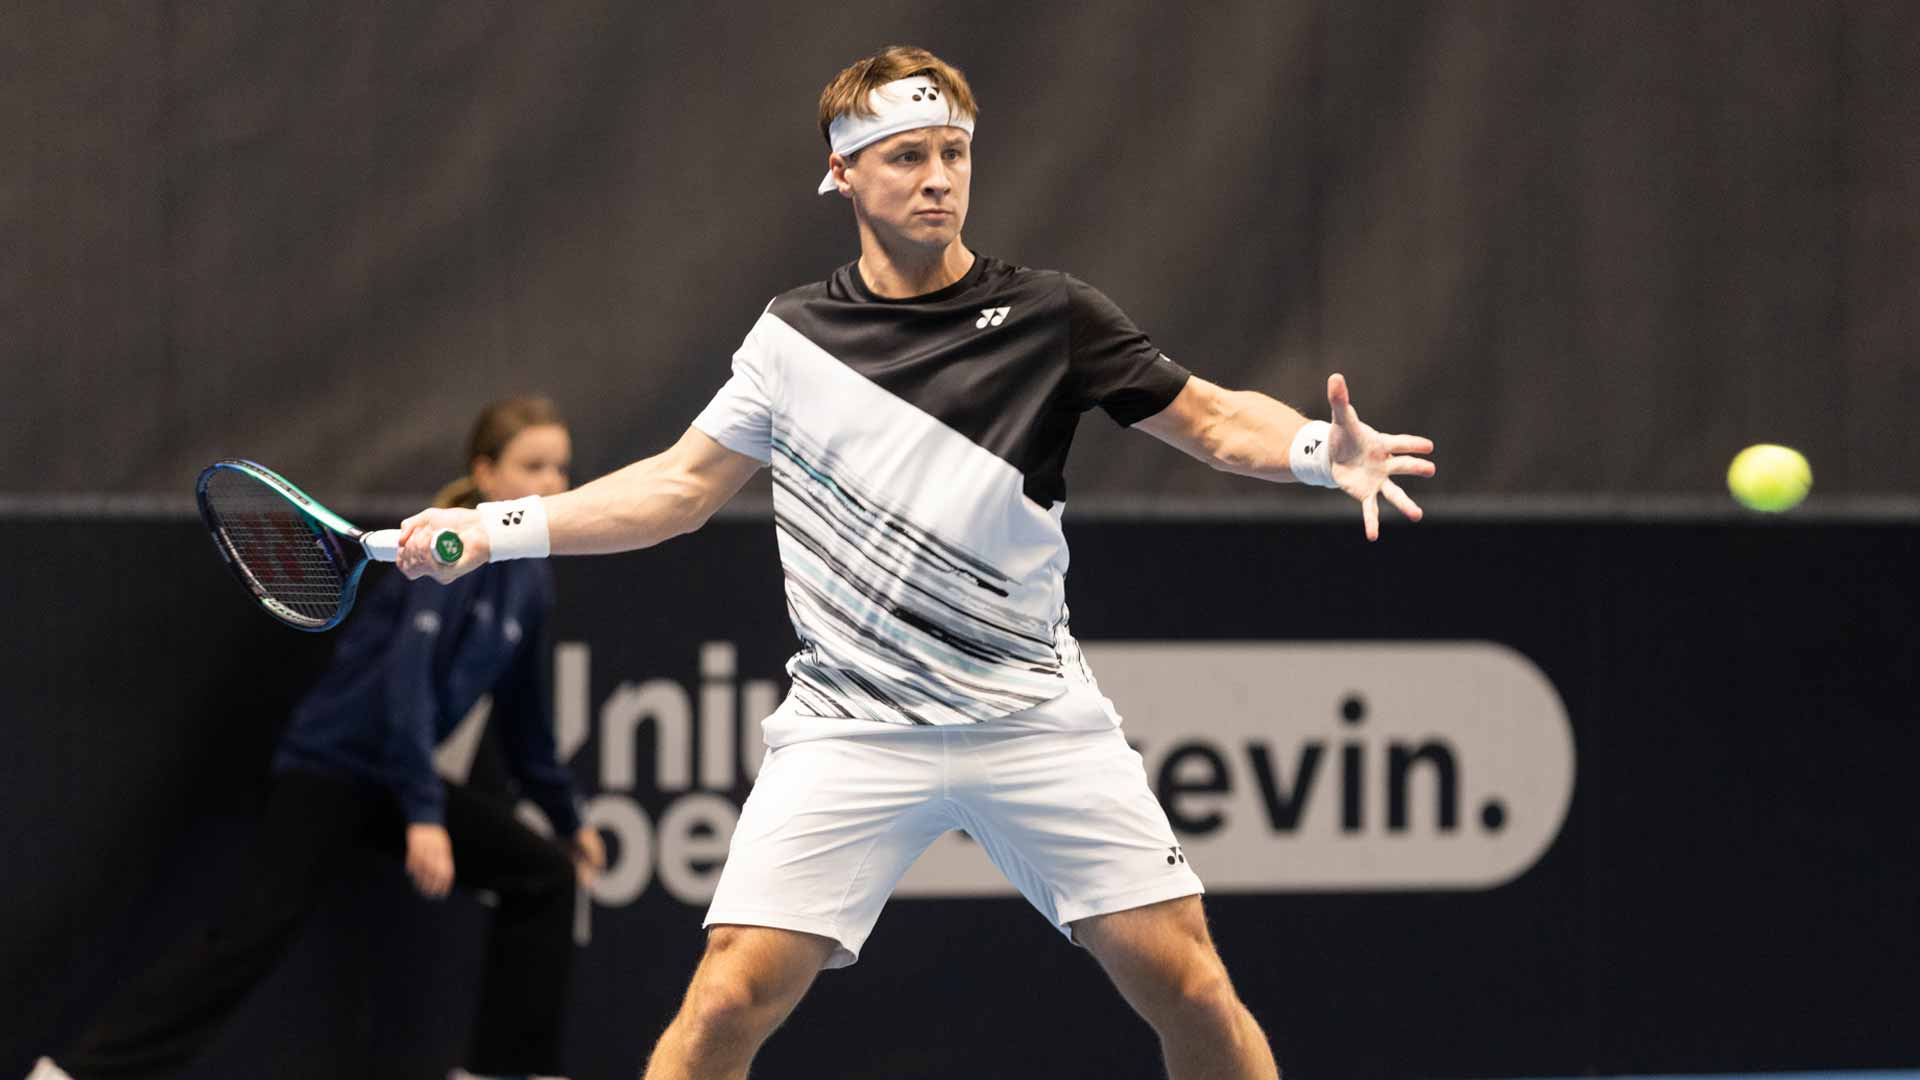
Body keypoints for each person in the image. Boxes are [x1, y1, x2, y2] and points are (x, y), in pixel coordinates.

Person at [395, 47, 1435, 1080]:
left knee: (1194, 987)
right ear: (842, 174)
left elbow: (1210, 421)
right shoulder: (789, 339)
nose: (939, 177)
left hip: (1031, 717)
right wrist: (498, 528)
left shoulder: (1051, 317)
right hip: (854, 728)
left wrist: (1311, 450)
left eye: (953, 152)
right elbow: (674, 490)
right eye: (905, 157)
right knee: (725, 997)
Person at [36, 396, 604, 1080]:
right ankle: (75, 1074)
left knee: (544, 875)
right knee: (244, 940)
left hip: (397, 777)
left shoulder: (532, 579)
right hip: (332, 767)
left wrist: (569, 820)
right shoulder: (441, 555)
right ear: (485, 474)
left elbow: (527, 721)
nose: (552, 485)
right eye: (533, 465)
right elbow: (405, 691)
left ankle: (503, 1073)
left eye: (561, 469)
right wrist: (424, 816)